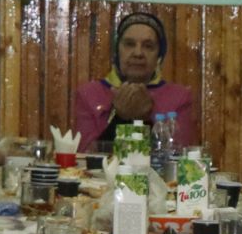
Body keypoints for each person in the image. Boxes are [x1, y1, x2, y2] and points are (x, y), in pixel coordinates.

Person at [72, 11, 196, 150]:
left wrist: (144, 118)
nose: (138, 53)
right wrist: (120, 118)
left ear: (159, 56)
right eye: (129, 44)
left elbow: (177, 157)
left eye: (148, 46)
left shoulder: (179, 97)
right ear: (117, 51)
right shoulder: (89, 94)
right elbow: (85, 157)